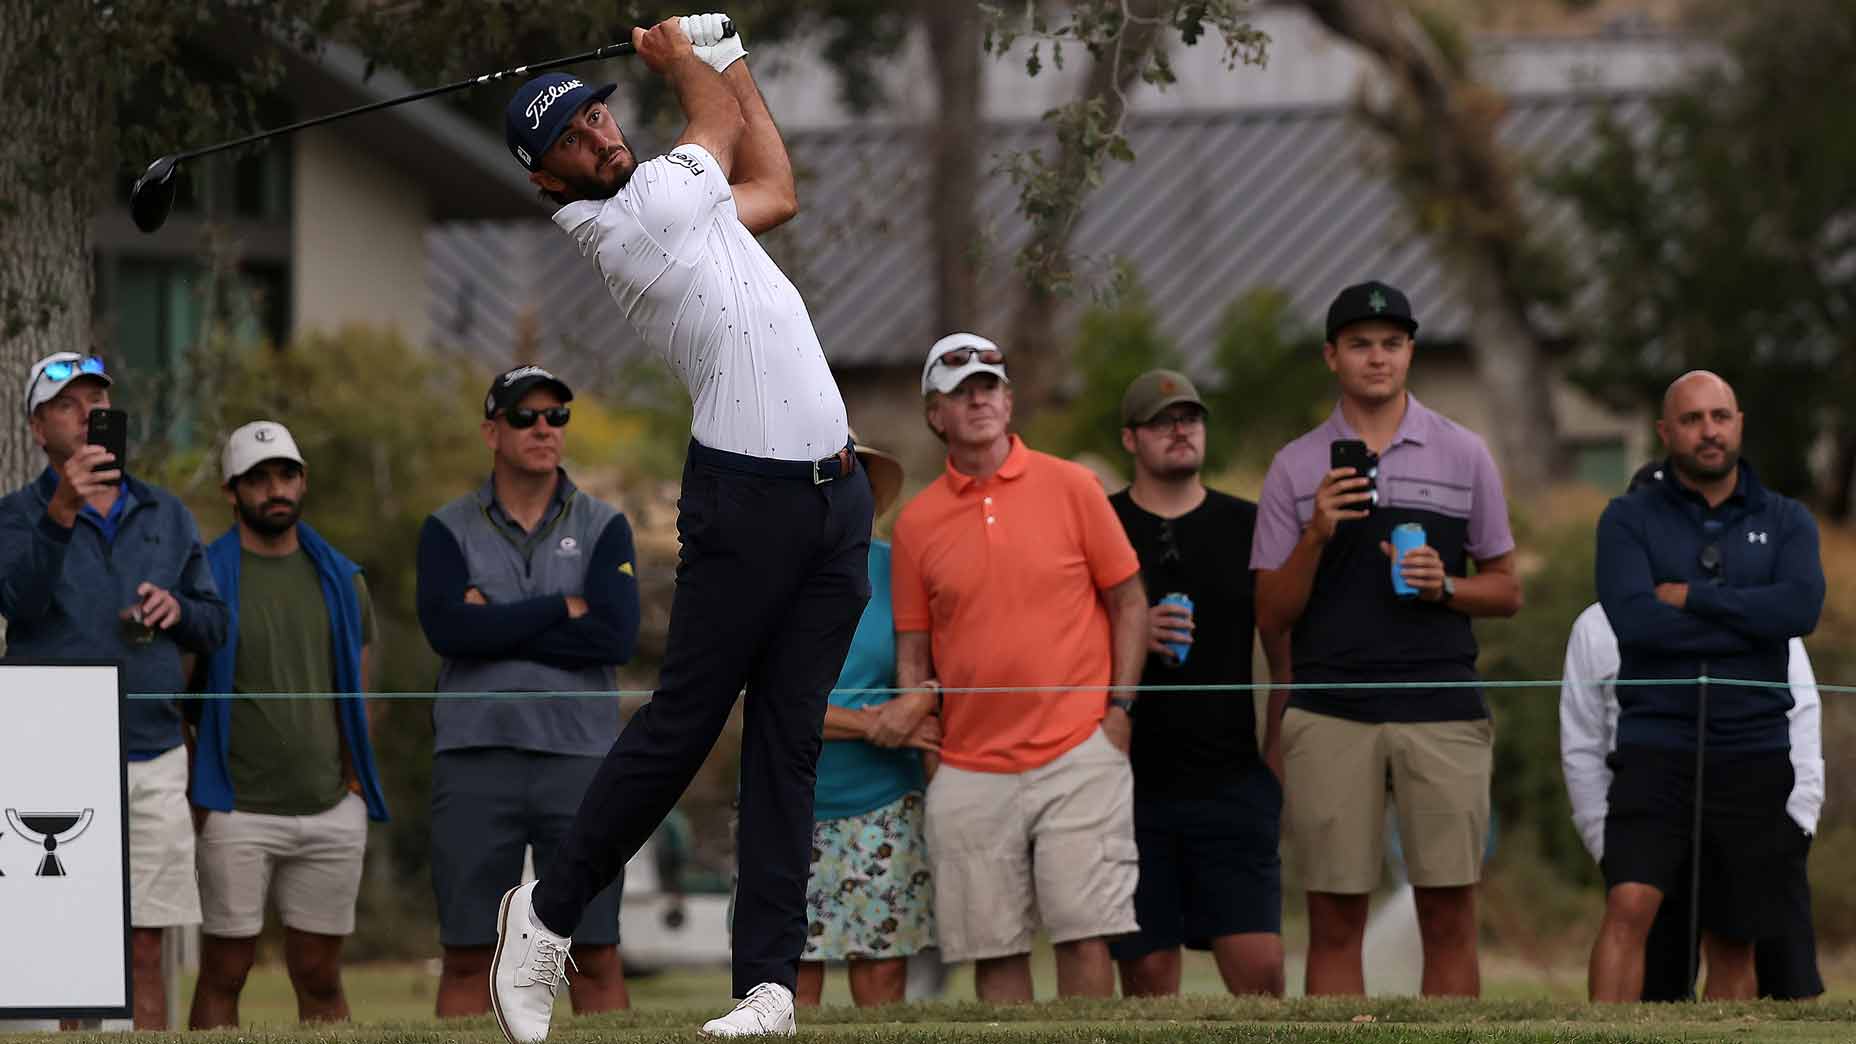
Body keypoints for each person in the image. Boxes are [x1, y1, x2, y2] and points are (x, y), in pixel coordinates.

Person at [488, 15, 874, 1040]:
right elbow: (710, 118)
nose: (597, 135)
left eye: (594, 112)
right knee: (682, 726)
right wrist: (686, 56)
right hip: (744, 499)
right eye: (570, 139)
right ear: (548, 182)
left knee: (787, 742)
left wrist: (731, 45)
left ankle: (767, 991)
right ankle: (546, 914)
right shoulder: (639, 215)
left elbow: (777, 187)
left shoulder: (685, 209)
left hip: (836, 499)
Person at [1251, 282, 1522, 998]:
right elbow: (1271, 612)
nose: (1379, 358)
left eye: (1393, 344)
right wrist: (1316, 533)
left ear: (1410, 353)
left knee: (1449, 912)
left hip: (1443, 707)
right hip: (1331, 708)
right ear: (1332, 357)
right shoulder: (1295, 467)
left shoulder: (1465, 454)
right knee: (1335, 918)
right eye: (1362, 344)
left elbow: (1507, 587)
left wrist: (1447, 588)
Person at [887, 333, 1147, 1004]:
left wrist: (1118, 714)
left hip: (1079, 749)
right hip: (969, 765)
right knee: (991, 946)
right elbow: (914, 651)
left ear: (1007, 400)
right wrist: (930, 751)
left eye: (989, 388)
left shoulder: (1073, 486)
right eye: (959, 392)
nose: (978, 401)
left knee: (1084, 934)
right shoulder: (915, 524)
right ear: (934, 414)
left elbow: (1128, 601)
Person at [0, 352, 228, 1029]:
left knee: (144, 941)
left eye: (98, 400)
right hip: (52, 760)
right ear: (39, 429)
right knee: (61, 939)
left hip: (153, 749)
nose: (89, 413)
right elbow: (20, 604)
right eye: (70, 403)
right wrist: (62, 510)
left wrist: (178, 611)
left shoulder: (168, 512)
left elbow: (216, 623)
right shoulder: (16, 514)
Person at [1587, 372, 1824, 1003]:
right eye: (1692, 419)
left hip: (1751, 747)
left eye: (1720, 416)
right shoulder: (1627, 518)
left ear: (1739, 422)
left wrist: (1693, 599)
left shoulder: (1787, 520)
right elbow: (1634, 619)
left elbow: (1799, 610)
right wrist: (1747, 621)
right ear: (1667, 432)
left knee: (1734, 936)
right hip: (1654, 743)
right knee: (1628, 905)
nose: (1709, 431)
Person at [419, 366, 641, 1020]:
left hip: (580, 757)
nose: (544, 428)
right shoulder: (445, 527)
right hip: (473, 754)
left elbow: (614, 638)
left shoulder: (606, 526)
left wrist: (495, 621)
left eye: (556, 416)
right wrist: (559, 607)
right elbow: (446, 629)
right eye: (525, 416)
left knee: (594, 948)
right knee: (466, 949)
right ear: (492, 431)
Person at [188, 421, 390, 1029]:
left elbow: (365, 689)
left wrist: (354, 784)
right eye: (258, 479)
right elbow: (178, 692)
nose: (274, 489)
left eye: (285, 475)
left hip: (330, 806)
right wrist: (198, 792)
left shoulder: (341, 576)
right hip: (235, 808)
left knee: (321, 975)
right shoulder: (205, 575)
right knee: (225, 969)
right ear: (232, 491)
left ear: (301, 481)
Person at [1106, 370, 1282, 998]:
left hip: (1232, 779)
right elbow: (1059, 638)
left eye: (1191, 417)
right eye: (1161, 421)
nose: (1180, 430)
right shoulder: (1102, 523)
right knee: (1150, 977)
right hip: (1130, 784)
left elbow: (1283, 646)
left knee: (1259, 972)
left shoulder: (1251, 524)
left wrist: (1277, 757)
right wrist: (1127, 631)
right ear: (1131, 439)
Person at [794, 435, 938, 1009]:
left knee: (881, 988)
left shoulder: (900, 571)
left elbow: (941, 667)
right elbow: (770, 706)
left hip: (884, 802)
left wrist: (921, 702)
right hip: (787, 803)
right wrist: (877, 724)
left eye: (855, 485)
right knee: (784, 986)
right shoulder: (769, 578)